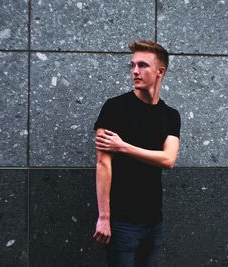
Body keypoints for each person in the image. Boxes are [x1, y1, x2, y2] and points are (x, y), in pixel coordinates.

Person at [93, 40, 181, 267]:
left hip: (154, 221)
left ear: (160, 71)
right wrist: (104, 217)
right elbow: (103, 164)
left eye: (142, 65)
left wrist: (123, 146)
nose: (134, 71)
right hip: (122, 222)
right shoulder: (114, 108)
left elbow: (168, 159)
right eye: (132, 65)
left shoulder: (170, 115)